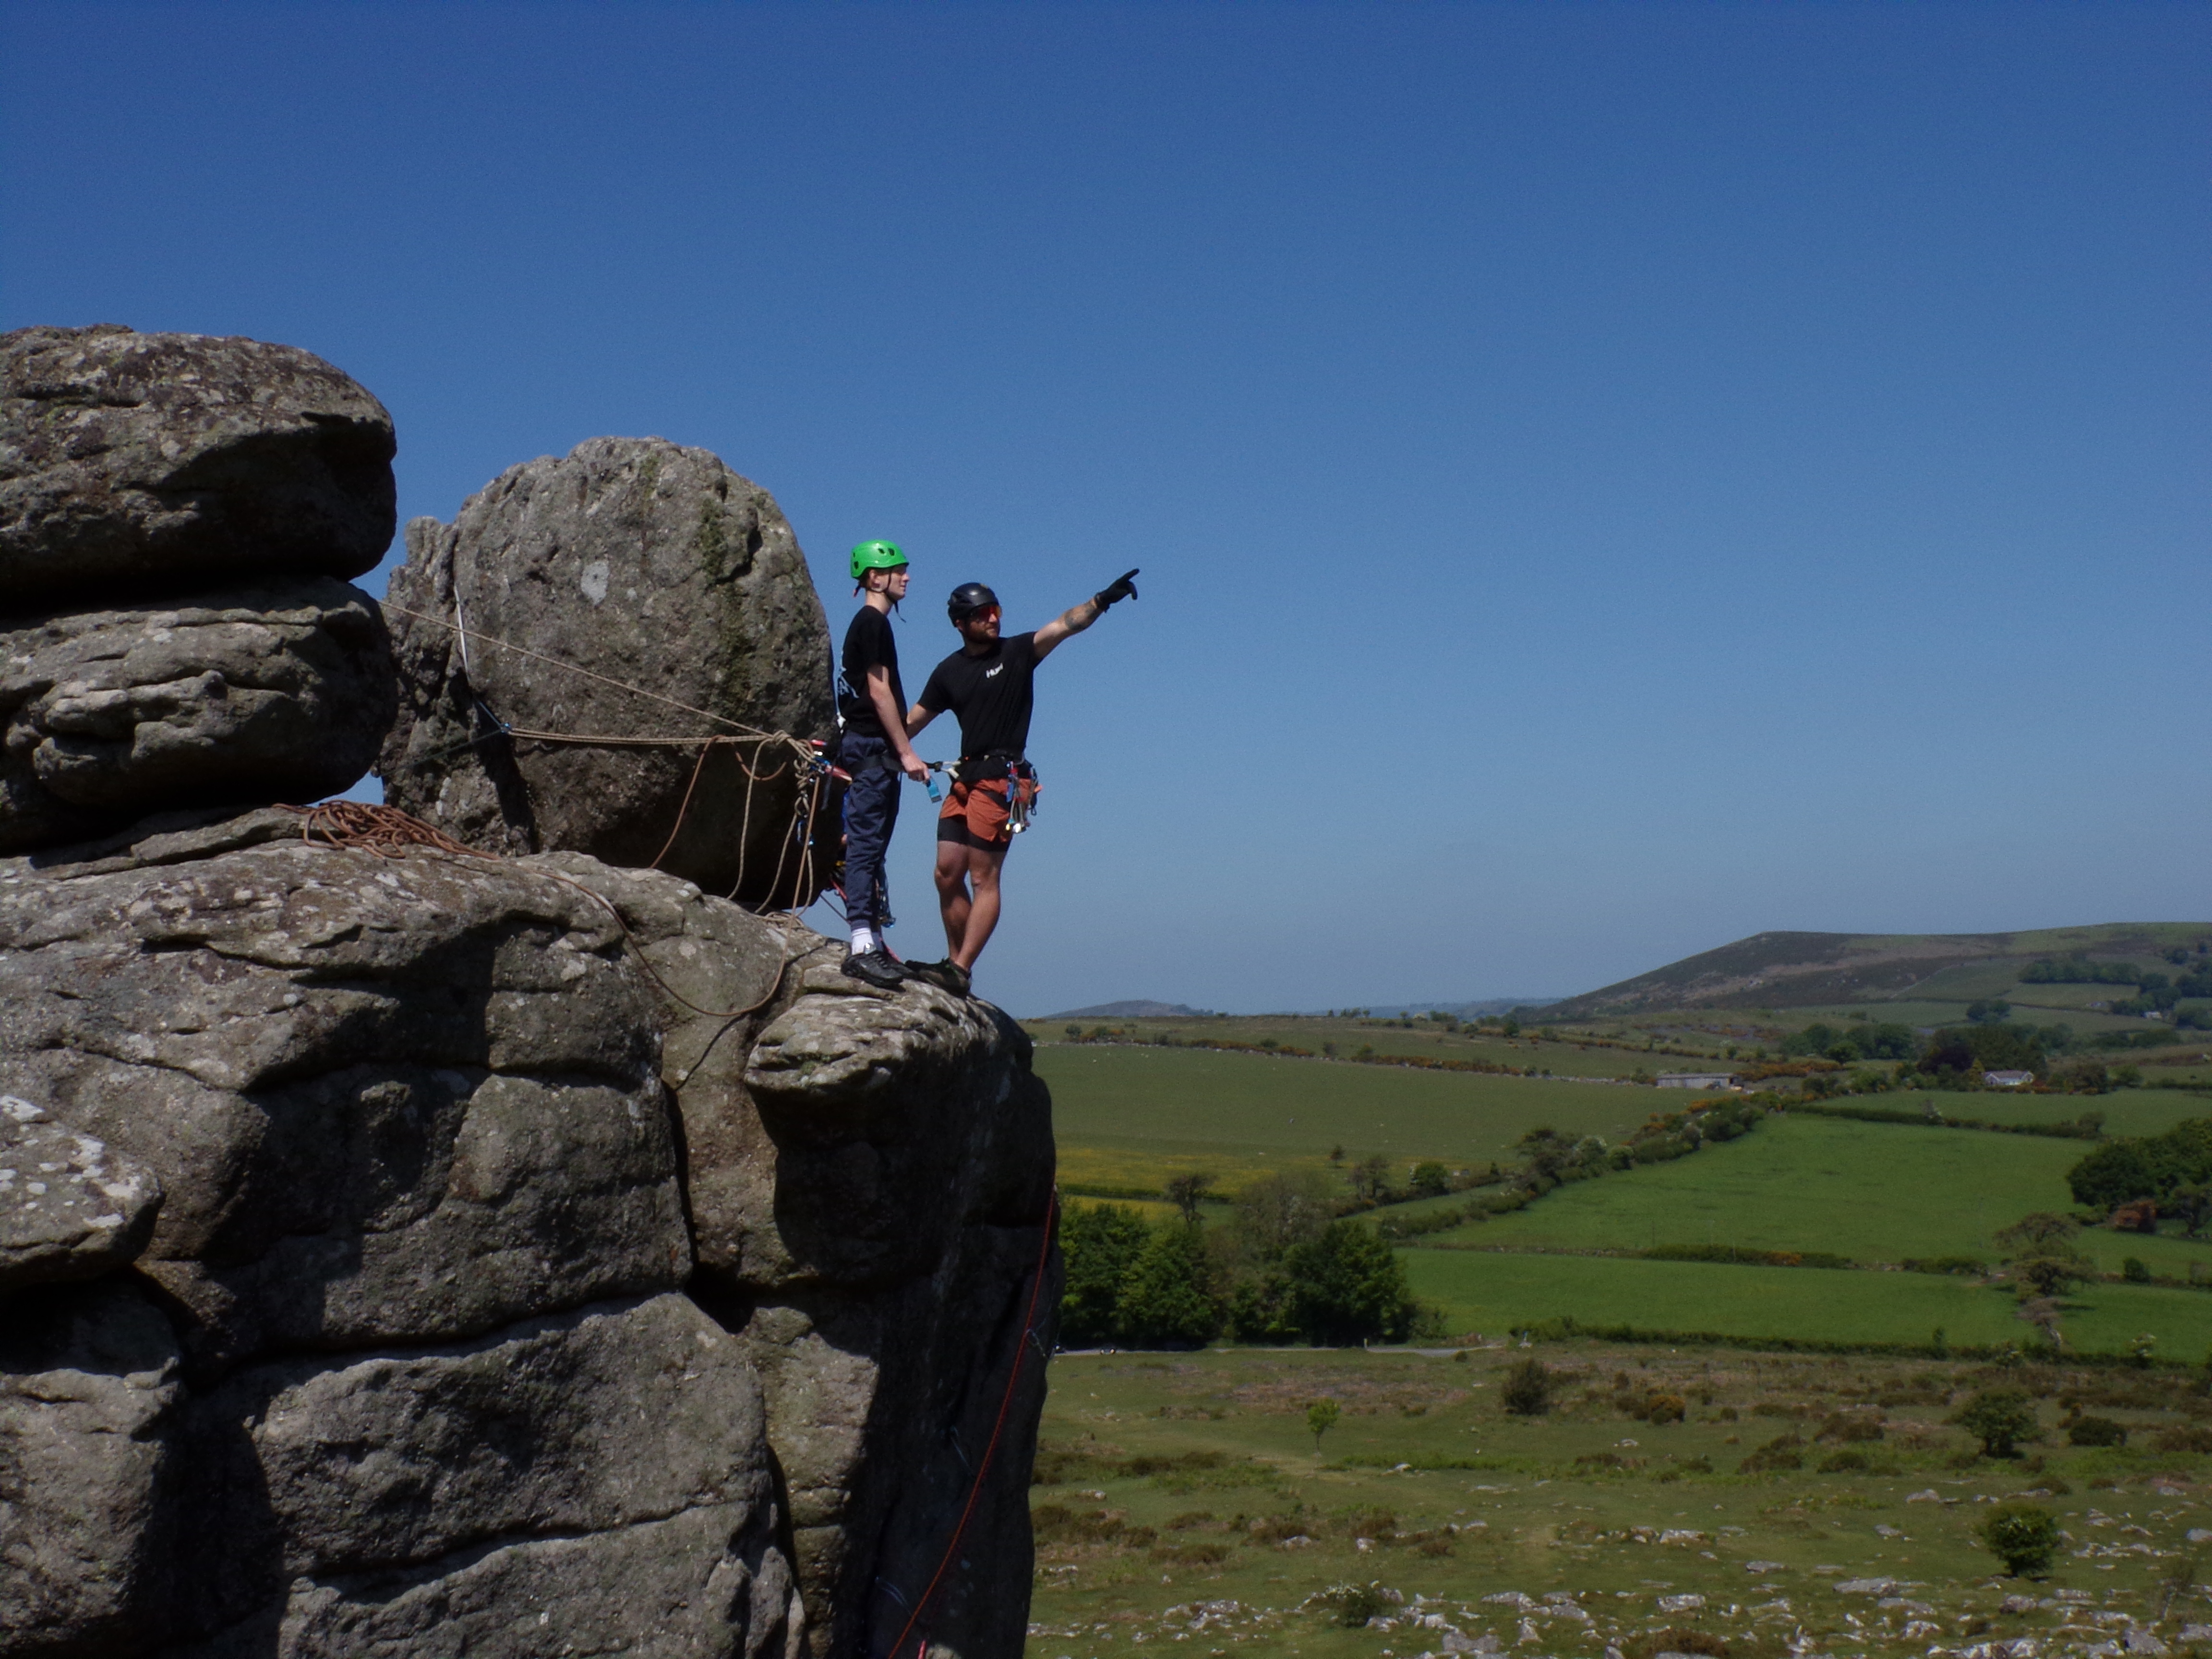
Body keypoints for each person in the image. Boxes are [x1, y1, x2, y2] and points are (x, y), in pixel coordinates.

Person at [902, 568, 1140, 995]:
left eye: (995, 610)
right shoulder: (948, 672)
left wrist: (1103, 600)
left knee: (983, 878)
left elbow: (1065, 625)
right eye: (982, 614)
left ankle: (959, 968)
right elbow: (912, 722)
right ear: (960, 624)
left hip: (1001, 777)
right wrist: (867, 739)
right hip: (965, 776)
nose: (994, 619)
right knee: (945, 873)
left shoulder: (1016, 653)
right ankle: (955, 968)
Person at [834, 540, 929, 988]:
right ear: (875, 578)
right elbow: (878, 691)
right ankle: (861, 946)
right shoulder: (872, 623)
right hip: (871, 748)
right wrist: (906, 751)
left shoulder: (872, 624)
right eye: (898, 570)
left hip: (872, 748)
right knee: (867, 844)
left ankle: (871, 938)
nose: (906, 577)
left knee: (873, 845)